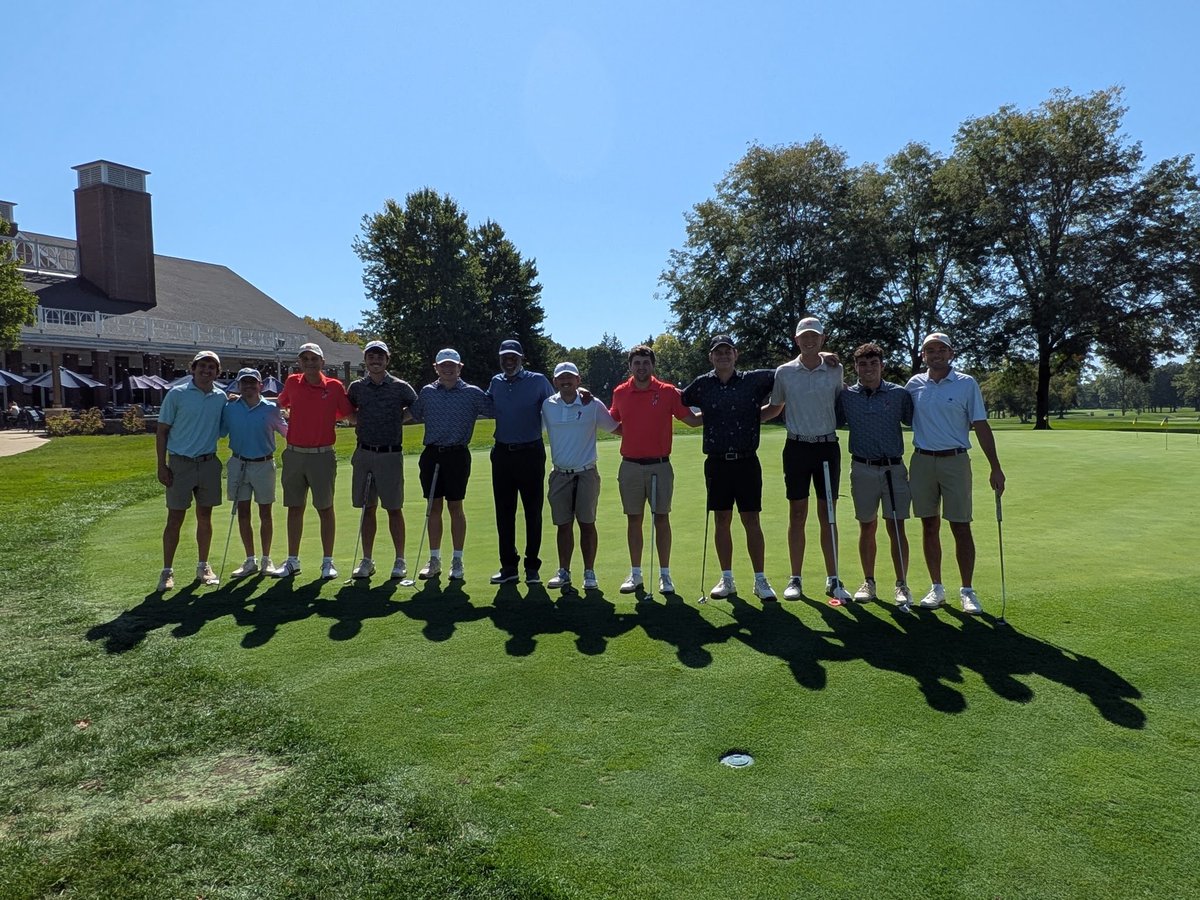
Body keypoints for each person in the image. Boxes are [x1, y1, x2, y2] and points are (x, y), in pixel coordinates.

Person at [905, 332, 1006, 614]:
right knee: (929, 525)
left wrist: (995, 466)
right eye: (930, 350)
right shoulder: (914, 384)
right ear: (923, 355)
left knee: (961, 525)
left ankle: (967, 590)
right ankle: (936, 587)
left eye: (941, 349)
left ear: (951, 353)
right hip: (922, 461)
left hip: (956, 460)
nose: (936, 354)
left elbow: (980, 425)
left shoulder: (966, 383)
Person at [761, 317, 853, 602]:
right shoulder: (784, 372)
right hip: (797, 448)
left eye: (815, 336)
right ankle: (795, 578)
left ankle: (833, 579)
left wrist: (826, 357)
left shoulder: (835, 369)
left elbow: (842, 401)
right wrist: (741, 417)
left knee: (828, 515)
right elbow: (775, 408)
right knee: (797, 514)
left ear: (823, 339)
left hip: (827, 447)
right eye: (804, 336)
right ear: (796, 340)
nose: (809, 340)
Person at [681, 334, 777, 602]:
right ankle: (727, 579)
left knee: (751, 520)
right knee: (721, 520)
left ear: (736, 354)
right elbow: (677, 399)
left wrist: (822, 357)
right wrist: (695, 421)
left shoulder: (754, 380)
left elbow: (790, 373)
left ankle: (760, 580)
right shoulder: (702, 384)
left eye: (727, 351)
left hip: (747, 461)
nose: (723, 356)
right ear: (711, 357)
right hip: (717, 463)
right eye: (718, 352)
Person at [608, 344, 701, 596]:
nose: (641, 367)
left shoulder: (667, 392)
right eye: (637, 363)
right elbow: (611, 421)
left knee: (661, 518)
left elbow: (692, 420)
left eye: (645, 363)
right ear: (630, 366)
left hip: (660, 465)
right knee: (634, 519)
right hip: (630, 466)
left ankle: (665, 575)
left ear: (653, 365)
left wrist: (718, 409)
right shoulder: (620, 392)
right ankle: (636, 574)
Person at [836, 343, 915, 606]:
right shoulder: (846, 396)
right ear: (856, 367)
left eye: (873, 363)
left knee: (896, 526)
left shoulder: (899, 394)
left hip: (894, 468)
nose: (868, 369)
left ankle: (902, 584)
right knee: (867, 525)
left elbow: (914, 420)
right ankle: (868, 582)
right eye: (863, 364)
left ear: (882, 365)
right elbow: (835, 420)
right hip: (862, 467)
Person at [407, 348, 493, 581]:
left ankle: (457, 560)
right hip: (432, 455)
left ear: (459, 367)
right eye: (443, 365)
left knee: (455, 507)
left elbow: (498, 409)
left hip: (457, 455)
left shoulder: (472, 393)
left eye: (452, 365)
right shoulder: (427, 392)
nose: (448, 368)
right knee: (433, 507)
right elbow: (410, 414)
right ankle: (434, 560)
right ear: (436, 368)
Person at [273, 342, 353, 580]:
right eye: (305, 359)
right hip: (294, 455)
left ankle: (328, 562)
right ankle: (292, 561)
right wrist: (243, 398)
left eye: (314, 358)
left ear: (322, 362)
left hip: (322, 456)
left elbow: (348, 415)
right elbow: (279, 403)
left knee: (325, 508)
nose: (309, 363)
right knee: (294, 508)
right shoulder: (292, 382)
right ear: (300, 362)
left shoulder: (334, 387)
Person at [154, 350, 228, 591]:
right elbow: (162, 431)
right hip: (180, 464)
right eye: (202, 366)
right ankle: (167, 571)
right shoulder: (177, 394)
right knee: (175, 518)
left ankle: (203, 566)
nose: (206, 370)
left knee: (205, 517)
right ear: (192, 368)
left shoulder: (221, 397)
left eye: (211, 367)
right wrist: (161, 465)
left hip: (208, 463)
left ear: (217, 372)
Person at [541, 362, 619, 591]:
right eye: (561, 378)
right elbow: (533, 429)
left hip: (586, 473)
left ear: (578, 380)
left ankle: (589, 572)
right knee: (563, 525)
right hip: (559, 474)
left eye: (570, 377)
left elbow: (615, 427)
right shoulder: (547, 405)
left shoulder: (592, 404)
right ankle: (563, 571)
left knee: (587, 524)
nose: (566, 381)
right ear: (555, 382)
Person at [345, 340, 417, 580]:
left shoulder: (400, 387)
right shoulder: (357, 387)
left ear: (387, 360)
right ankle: (367, 560)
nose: (375, 361)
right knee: (368, 508)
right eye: (371, 357)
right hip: (364, 453)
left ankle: (400, 560)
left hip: (390, 454)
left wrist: (398, 419)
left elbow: (417, 407)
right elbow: (348, 410)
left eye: (380, 357)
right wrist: (358, 421)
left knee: (394, 508)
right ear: (365, 360)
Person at [486, 339, 555, 585]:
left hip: (530, 453)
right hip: (502, 454)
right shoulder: (496, 382)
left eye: (513, 357)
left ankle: (532, 566)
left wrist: (582, 395)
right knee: (504, 512)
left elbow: (558, 402)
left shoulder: (538, 381)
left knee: (532, 511)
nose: (509, 361)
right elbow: (485, 404)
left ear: (521, 358)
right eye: (504, 357)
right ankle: (509, 567)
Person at [220, 368, 289, 578]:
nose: (248, 386)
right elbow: (220, 431)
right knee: (243, 512)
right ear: (238, 385)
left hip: (264, 464)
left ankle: (266, 559)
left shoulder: (271, 409)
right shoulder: (230, 408)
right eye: (244, 382)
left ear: (260, 385)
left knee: (265, 512)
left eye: (252, 382)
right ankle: (250, 560)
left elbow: (287, 432)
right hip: (238, 463)